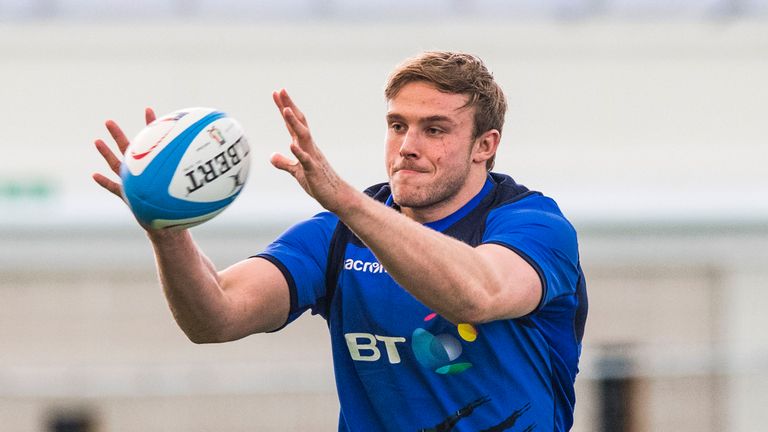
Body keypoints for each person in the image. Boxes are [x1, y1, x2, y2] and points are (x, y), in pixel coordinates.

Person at [93, 51, 587, 432]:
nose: (408, 146)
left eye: (435, 129)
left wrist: (348, 202)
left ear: (486, 145)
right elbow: (215, 317)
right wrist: (167, 229)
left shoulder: (533, 226)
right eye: (398, 126)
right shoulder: (336, 235)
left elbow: (477, 294)